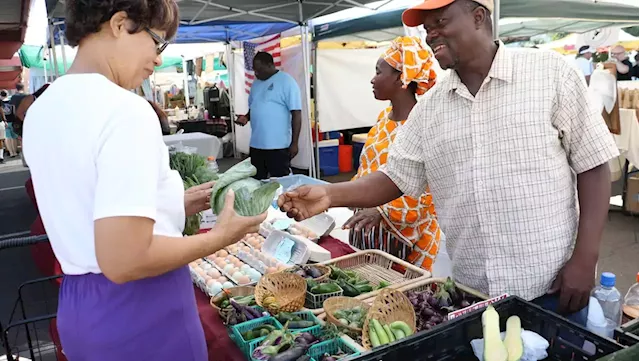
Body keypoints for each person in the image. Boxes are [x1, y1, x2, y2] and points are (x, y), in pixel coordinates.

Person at [279, 0, 618, 326]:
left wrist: (584, 258)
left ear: (478, 17)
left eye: (440, 23)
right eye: (427, 29)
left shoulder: (550, 74)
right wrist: (329, 196)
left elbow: (593, 165)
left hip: (554, 287)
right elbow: (394, 178)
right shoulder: (430, 109)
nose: (431, 35)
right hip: (473, 297)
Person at [22, 1, 266, 360]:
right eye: (157, 41)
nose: (156, 58)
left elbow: (86, 204)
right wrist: (220, 238)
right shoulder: (125, 110)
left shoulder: (42, 109)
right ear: (120, 24)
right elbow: (126, 259)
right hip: (142, 312)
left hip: (81, 309)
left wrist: (171, 203)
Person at [344, 36, 442, 272]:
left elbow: (428, 191)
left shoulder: (425, 126)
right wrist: (348, 195)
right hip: (371, 237)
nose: (372, 78)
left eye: (379, 71)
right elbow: (368, 168)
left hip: (408, 242)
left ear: (401, 77)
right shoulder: (383, 119)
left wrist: (382, 210)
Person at [236, 51, 302, 179]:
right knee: (256, 182)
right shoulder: (256, 83)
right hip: (256, 145)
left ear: (270, 65)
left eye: (259, 70)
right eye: (255, 70)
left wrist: (295, 143)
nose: (256, 74)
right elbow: (254, 106)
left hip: (278, 147)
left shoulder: (287, 82)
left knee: (280, 182)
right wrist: (246, 117)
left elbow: (296, 113)